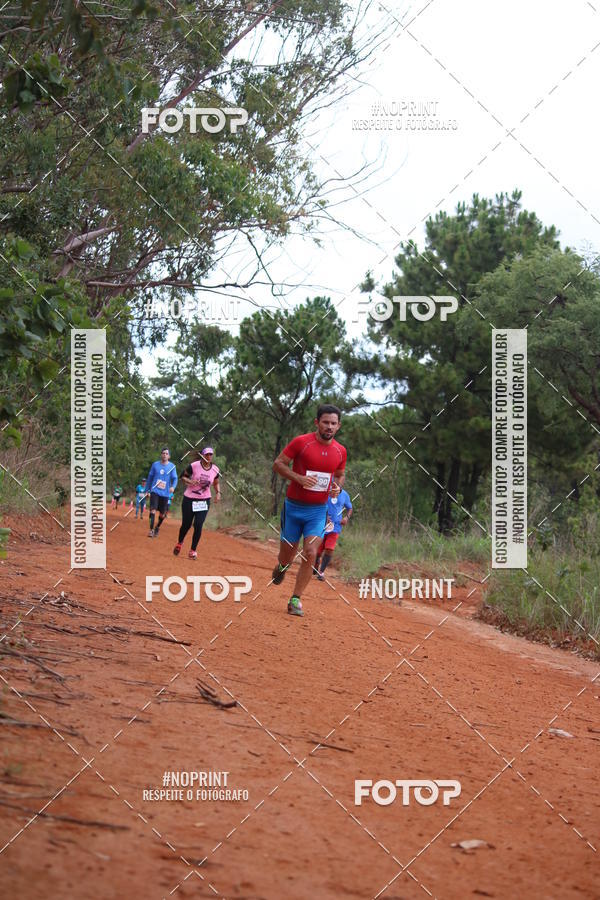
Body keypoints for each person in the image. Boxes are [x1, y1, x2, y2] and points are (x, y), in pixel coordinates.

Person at [272, 404, 347, 617]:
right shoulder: (301, 443)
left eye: (333, 423)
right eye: (325, 422)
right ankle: (282, 567)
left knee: (311, 552)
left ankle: (295, 599)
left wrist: (337, 487)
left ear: (338, 426)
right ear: (317, 423)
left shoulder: (340, 451)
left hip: (317, 511)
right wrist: (299, 478)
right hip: (294, 508)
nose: (329, 427)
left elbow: (340, 474)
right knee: (287, 556)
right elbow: (278, 464)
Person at [173, 448, 221, 559]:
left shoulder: (215, 469)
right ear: (203, 455)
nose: (209, 457)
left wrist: (218, 492)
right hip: (189, 499)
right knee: (186, 524)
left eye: (211, 455)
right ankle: (180, 543)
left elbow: (216, 483)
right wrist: (191, 481)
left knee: (198, 524)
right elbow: (182, 477)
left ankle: (193, 550)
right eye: (207, 454)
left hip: (204, 500)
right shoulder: (194, 465)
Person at [314, 482, 353, 580]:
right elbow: (316, 505)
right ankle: (315, 563)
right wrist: (325, 516)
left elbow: (350, 508)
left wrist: (346, 518)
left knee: (330, 548)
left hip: (335, 527)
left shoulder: (344, 494)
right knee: (318, 550)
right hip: (321, 525)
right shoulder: (324, 492)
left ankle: (321, 572)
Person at [146, 447, 178, 538]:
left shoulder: (172, 467)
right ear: (161, 455)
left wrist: (173, 487)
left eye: (166, 453)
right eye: (163, 453)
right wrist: (147, 490)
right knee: (152, 510)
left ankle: (157, 527)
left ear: (169, 456)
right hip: (155, 491)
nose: (164, 455)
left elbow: (175, 479)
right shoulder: (155, 465)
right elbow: (150, 478)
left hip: (165, 493)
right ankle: (151, 530)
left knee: (162, 514)